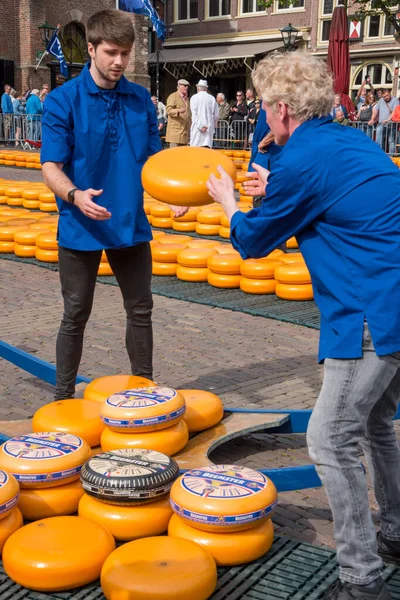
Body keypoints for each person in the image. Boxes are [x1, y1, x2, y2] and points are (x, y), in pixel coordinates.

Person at [207, 50, 400, 600]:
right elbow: (286, 183)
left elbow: (251, 240)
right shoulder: (344, 141)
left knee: (329, 438)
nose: (264, 118)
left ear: (283, 109)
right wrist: (261, 167)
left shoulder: (303, 160)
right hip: (395, 300)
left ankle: (361, 578)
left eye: (267, 108)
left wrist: (227, 203)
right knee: (378, 423)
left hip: (370, 310)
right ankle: (396, 530)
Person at [41, 8, 169, 401]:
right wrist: (75, 195)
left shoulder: (140, 100)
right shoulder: (63, 101)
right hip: (81, 223)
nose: (119, 62)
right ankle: (63, 398)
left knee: (141, 309)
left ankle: (144, 390)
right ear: (92, 48)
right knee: (76, 313)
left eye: (126, 54)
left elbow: (155, 160)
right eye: (112, 52)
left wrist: (174, 193)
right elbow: (50, 166)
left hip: (129, 223)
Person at [189, 79, 219, 148]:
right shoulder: (212, 98)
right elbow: (216, 115)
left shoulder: (194, 98)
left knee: (195, 151)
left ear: (198, 88)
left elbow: (194, 115)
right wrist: (212, 125)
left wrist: (200, 126)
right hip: (208, 128)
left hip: (197, 129)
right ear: (206, 88)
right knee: (207, 150)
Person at [369, 88, 399, 155]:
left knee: (391, 141)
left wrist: (388, 119)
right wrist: (372, 119)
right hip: (381, 124)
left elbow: (395, 111)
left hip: (391, 124)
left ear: (389, 93)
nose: (386, 97)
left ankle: (391, 156)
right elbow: (376, 110)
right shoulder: (381, 100)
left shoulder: (395, 100)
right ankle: (380, 155)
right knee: (379, 139)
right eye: (384, 96)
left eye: (387, 95)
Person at [165, 79, 191, 147]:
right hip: (175, 132)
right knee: (174, 155)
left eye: (187, 86)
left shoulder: (187, 99)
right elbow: (168, 110)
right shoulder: (173, 96)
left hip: (184, 133)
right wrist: (178, 111)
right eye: (184, 86)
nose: (186, 87)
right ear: (179, 86)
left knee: (183, 155)